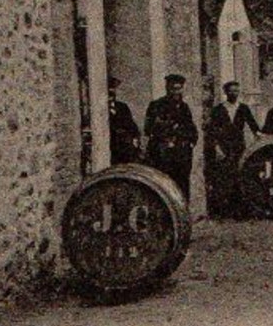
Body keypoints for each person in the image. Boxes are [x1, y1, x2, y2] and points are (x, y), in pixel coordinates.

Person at [205, 80, 260, 218]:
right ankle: (223, 210)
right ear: (225, 92)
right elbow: (211, 131)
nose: (234, 93)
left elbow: (254, 127)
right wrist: (216, 148)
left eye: (236, 91)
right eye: (231, 91)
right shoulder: (218, 109)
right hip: (223, 147)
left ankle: (239, 210)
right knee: (223, 177)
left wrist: (262, 138)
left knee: (239, 175)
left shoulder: (243, 108)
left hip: (238, 146)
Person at [144, 73, 199, 203]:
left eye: (179, 89)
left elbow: (191, 127)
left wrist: (191, 142)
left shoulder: (184, 107)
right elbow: (148, 128)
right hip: (163, 152)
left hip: (182, 152)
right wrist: (165, 136)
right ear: (167, 88)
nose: (176, 92)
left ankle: (183, 210)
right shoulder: (156, 105)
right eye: (173, 89)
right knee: (163, 182)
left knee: (183, 182)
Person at [107, 78, 142, 165]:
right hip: (111, 147)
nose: (111, 92)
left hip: (125, 148)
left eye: (113, 89)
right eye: (108, 91)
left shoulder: (122, 107)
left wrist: (135, 139)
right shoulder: (99, 110)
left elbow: (132, 125)